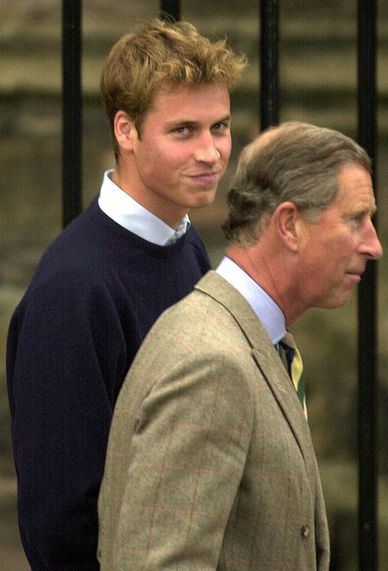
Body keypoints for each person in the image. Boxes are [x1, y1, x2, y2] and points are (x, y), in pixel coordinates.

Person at [6, 18, 246, 570]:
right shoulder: (74, 292)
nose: (211, 152)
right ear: (126, 130)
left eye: (221, 126)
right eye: (183, 130)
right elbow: (60, 523)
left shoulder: (183, 245)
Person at [97, 121, 383, 570]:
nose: (374, 244)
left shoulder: (255, 342)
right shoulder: (211, 363)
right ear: (289, 224)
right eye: (355, 219)